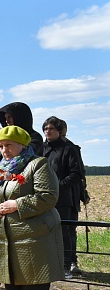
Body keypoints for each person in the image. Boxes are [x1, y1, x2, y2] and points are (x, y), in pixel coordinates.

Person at [0, 125, 64, 290]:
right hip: (7, 239)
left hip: (34, 239)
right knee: (12, 286)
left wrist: (17, 204)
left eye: (8, 145)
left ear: (22, 144)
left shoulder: (37, 165)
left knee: (33, 288)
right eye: (1, 146)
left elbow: (49, 196)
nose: (4, 150)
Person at [42, 116, 83, 278]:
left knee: (64, 232)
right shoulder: (41, 150)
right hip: (43, 198)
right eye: (45, 128)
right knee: (45, 231)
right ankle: (49, 265)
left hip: (63, 199)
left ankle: (66, 267)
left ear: (59, 131)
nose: (48, 131)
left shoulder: (68, 149)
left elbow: (76, 173)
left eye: (51, 128)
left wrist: (59, 187)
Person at [0, 102, 44, 190]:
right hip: (6, 185)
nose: (7, 121)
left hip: (27, 184)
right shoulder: (3, 142)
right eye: (5, 118)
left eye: (10, 117)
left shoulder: (34, 137)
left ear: (20, 118)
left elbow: (25, 156)